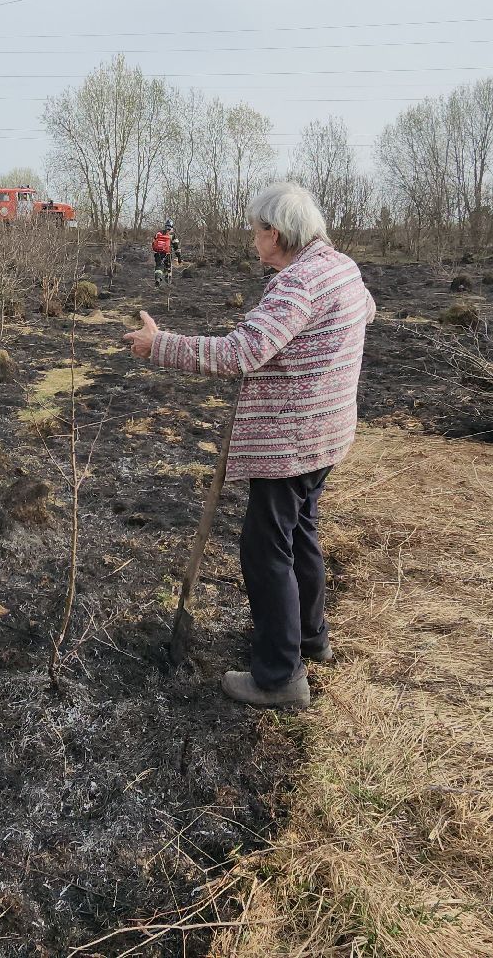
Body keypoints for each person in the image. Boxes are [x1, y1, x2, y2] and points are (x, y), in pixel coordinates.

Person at [123, 182, 373, 709]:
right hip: (328, 435)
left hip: (292, 441)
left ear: (275, 234)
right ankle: (309, 637)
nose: (252, 241)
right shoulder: (341, 268)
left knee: (266, 551)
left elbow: (242, 351)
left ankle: (280, 677)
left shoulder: (296, 284)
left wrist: (160, 345)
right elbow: (366, 311)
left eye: (255, 231)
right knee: (300, 531)